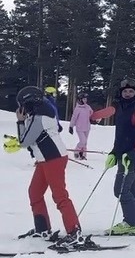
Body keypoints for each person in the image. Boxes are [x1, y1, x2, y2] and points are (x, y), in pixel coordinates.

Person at [14, 85, 83, 246]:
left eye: (22, 105)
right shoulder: (38, 113)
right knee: (35, 192)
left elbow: (24, 141)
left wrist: (20, 121)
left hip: (54, 159)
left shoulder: (40, 117)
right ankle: (43, 229)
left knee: (59, 195)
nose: (21, 109)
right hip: (45, 159)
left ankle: (75, 232)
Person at [90, 78, 135, 235]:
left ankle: (131, 223)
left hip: (132, 156)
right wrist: (114, 152)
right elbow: (120, 133)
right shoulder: (120, 108)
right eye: (125, 91)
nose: (128, 94)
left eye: (131, 91)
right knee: (134, 189)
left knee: (120, 190)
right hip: (122, 154)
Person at [69, 92, 93, 160]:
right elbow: (74, 118)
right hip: (80, 128)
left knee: (85, 142)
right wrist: (71, 126)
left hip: (87, 127)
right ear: (80, 99)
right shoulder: (77, 108)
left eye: (86, 99)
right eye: (84, 99)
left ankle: (83, 155)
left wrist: (95, 118)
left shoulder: (88, 107)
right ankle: (76, 151)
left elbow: (92, 114)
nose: (86, 100)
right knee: (83, 141)